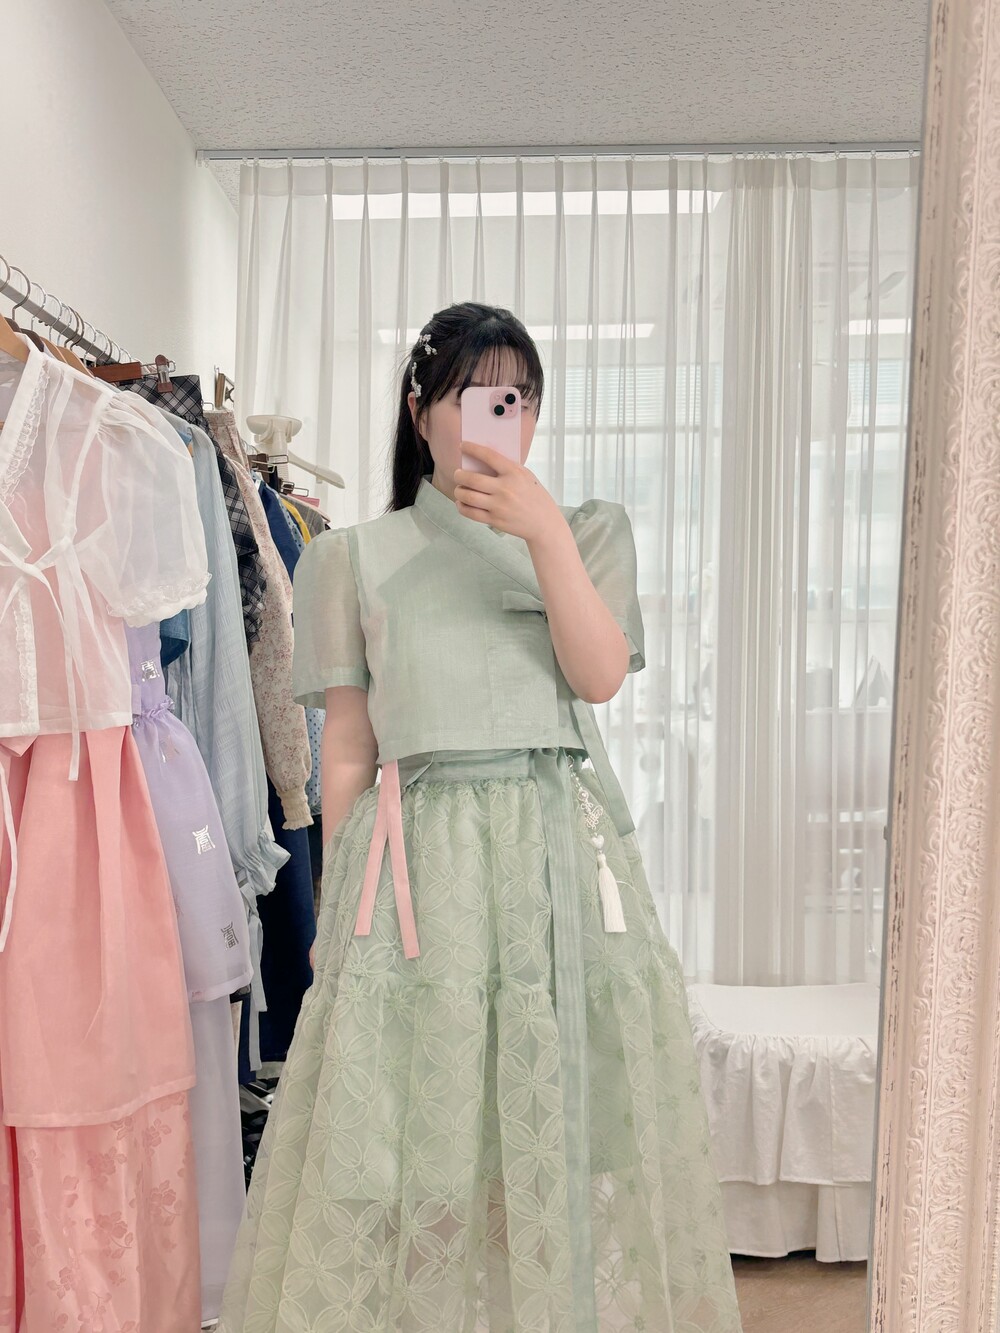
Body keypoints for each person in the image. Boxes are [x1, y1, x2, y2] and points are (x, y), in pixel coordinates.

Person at [218, 302, 742, 1332]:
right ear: (421, 412)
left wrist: (542, 531)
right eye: (476, 396)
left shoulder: (587, 531)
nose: (505, 418)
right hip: (419, 868)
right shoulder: (352, 556)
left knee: (552, 1148)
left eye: (521, 399)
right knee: (414, 1152)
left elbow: (597, 677)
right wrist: (335, 910)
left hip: (554, 858)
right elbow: (348, 747)